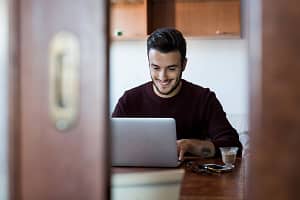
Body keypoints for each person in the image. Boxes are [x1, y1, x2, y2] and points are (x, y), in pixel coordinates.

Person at [112, 27, 242, 160]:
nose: (163, 77)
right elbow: (107, 146)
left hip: (194, 178)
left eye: (171, 68)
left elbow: (233, 147)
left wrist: (191, 145)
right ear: (149, 64)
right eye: (156, 68)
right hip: (138, 176)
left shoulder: (204, 99)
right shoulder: (129, 100)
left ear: (184, 65)